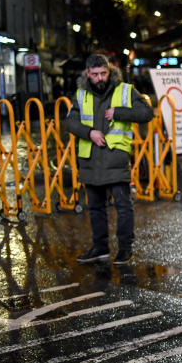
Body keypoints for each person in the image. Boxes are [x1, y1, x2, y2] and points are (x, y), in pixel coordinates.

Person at [65, 54, 153, 264]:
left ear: (109, 71)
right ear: (88, 74)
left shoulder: (125, 90)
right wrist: (90, 133)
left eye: (103, 73)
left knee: (123, 206)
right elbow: (70, 123)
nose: (99, 78)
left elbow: (147, 113)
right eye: (95, 74)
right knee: (95, 207)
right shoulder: (80, 94)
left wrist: (119, 113)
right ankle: (100, 248)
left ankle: (124, 249)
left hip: (115, 158)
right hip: (91, 159)